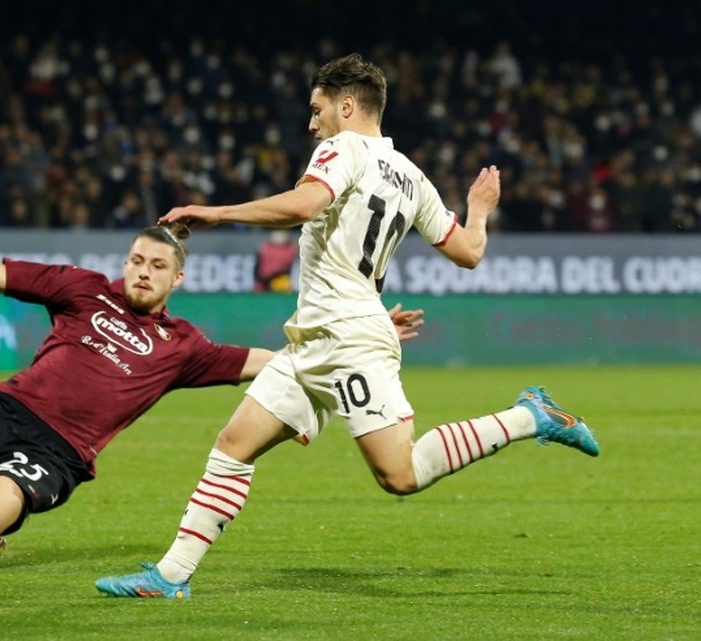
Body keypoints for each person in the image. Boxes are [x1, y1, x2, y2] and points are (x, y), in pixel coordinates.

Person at [95, 53, 600, 599]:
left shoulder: (342, 149)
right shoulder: (412, 177)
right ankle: (171, 577)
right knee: (233, 444)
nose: (312, 124)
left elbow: (305, 204)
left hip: (346, 340)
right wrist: (479, 210)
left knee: (399, 474)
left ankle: (530, 417)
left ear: (347, 105)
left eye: (317, 111)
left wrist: (215, 213)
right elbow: (470, 251)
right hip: (321, 335)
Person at [0, 224, 425, 568]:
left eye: (158, 265)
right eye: (137, 260)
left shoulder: (185, 346)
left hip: (53, 453)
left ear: (178, 279)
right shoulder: (82, 290)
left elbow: (280, 363)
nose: (143, 271)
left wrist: (360, 336)